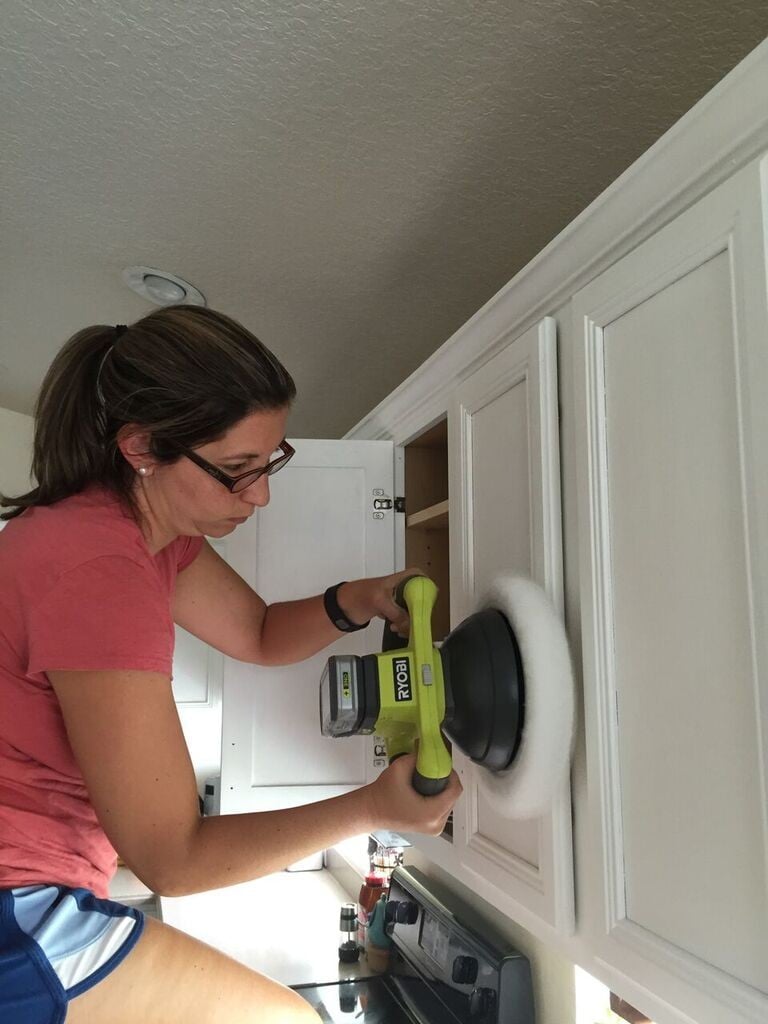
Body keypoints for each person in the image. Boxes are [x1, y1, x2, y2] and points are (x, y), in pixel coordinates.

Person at [0, 306, 462, 1024]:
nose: (262, 495)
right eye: (237, 472)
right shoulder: (99, 568)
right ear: (141, 447)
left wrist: (360, 600)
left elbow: (258, 631)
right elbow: (174, 861)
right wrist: (374, 808)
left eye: (271, 461)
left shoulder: (138, 531)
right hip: (15, 912)